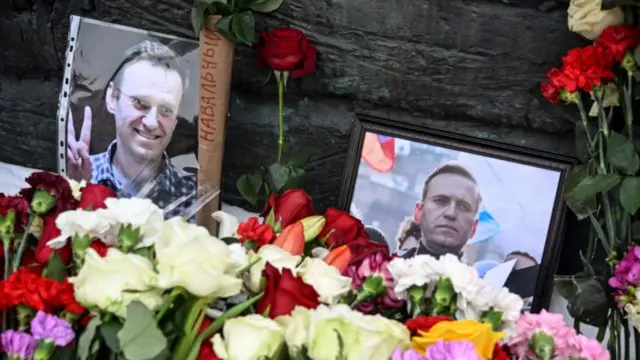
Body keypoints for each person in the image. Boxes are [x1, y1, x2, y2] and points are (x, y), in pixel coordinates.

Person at [66, 40, 196, 220]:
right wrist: (76, 193)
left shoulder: (195, 196)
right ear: (112, 98)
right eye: (140, 103)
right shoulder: (77, 176)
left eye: (166, 110)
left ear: (175, 120)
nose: (151, 122)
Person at [400, 162, 482, 259]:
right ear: (418, 212)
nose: (451, 213)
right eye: (440, 201)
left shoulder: (474, 275)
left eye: (464, 207)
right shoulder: (384, 272)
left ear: (473, 228)